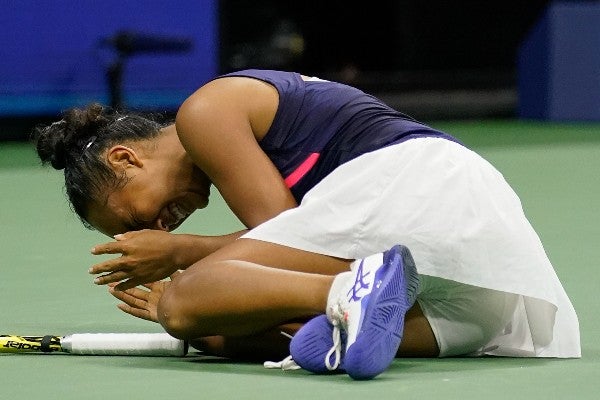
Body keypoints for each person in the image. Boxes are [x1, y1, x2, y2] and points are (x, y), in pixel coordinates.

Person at [34, 69, 581, 380]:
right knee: (221, 326)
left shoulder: (206, 112)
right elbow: (294, 240)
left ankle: (346, 291)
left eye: (135, 217)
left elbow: (280, 226)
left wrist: (179, 258)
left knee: (185, 302)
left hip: (416, 186)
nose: (158, 224)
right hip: (470, 290)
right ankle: (349, 309)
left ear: (126, 159)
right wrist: (207, 323)